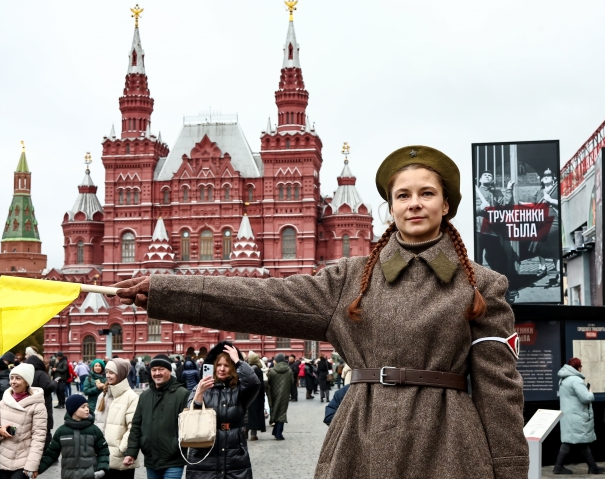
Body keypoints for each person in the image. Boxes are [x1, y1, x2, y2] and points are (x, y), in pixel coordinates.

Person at [114, 145, 530, 478]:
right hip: (363, 437)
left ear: (446, 205)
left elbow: (500, 392)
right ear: (391, 207)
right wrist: (163, 290)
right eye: (403, 195)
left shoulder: (482, 285)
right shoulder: (349, 279)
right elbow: (261, 300)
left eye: (427, 193)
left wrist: (510, 471)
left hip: (450, 442)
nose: (414, 204)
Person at [186, 342, 259, 478]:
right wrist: (200, 394)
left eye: (226, 365)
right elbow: (191, 416)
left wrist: (238, 361)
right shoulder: (200, 388)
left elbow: (254, 383)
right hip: (204, 452)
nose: (222, 369)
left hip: (234, 452)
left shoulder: (239, 390)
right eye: (218, 365)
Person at [123, 354, 189, 479]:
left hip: (173, 459)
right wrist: (131, 453)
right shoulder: (145, 396)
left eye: (161, 369)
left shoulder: (182, 394)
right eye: (154, 370)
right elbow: (136, 426)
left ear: (169, 371)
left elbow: (188, 426)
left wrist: (176, 444)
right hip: (151, 459)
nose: (157, 373)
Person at [0, 363, 48, 479]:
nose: (13, 382)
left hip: (23, 461)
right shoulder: (4, 402)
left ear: (27, 382)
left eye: (18, 378)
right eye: (11, 378)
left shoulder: (37, 406)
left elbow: (39, 438)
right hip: (3, 461)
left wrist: (32, 465)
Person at [553, 358, 605, 474]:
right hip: (577, 416)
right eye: (581, 366)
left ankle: (592, 466)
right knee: (571, 441)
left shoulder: (563, 380)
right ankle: (558, 467)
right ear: (578, 368)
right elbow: (586, 398)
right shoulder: (576, 380)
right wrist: (590, 392)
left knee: (580, 441)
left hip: (568, 415)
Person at [38, 395, 110, 479]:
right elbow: (51, 455)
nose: (87, 409)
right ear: (73, 410)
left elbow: (103, 451)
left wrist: (102, 469)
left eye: (87, 406)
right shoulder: (62, 432)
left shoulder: (94, 430)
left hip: (91, 476)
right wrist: (37, 470)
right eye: (83, 407)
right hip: (69, 476)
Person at [94, 358, 139, 479]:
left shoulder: (132, 397)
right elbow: (96, 422)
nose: (108, 376)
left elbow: (133, 427)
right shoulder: (103, 395)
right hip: (100, 457)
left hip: (121, 459)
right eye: (107, 372)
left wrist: (121, 449)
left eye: (111, 373)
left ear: (121, 374)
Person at [475, 170, 517, 282]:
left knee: (500, 258)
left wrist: (509, 189)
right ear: (480, 180)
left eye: (490, 176)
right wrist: (480, 208)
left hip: (491, 231)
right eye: (485, 175)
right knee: (476, 260)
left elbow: (505, 204)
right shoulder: (475, 191)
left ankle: (500, 287)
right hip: (478, 230)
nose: (488, 176)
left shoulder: (494, 194)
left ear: (492, 180)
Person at [528, 168, 560, 286]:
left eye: (548, 175)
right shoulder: (539, 192)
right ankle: (547, 268)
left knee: (551, 245)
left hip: (553, 219)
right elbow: (533, 205)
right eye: (544, 175)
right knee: (541, 244)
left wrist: (550, 200)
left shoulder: (557, 188)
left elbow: (562, 202)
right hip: (541, 220)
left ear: (553, 178)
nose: (546, 177)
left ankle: (546, 268)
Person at [26, 352, 58, 449]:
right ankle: (46, 451)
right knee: (44, 429)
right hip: (43, 404)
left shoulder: (27, 374)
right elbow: (47, 387)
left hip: (29, 404)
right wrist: (54, 382)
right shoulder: (41, 374)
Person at [266, 353, 293, 440]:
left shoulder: (272, 371)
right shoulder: (289, 370)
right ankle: (278, 432)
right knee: (282, 412)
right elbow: (292, 381)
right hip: (285, 394)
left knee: (275, 410)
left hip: (273, 394)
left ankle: (276, 432)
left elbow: (268, 382)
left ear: (277, 361)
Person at [246, 351, 266, 441]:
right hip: (256, 396)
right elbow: (260, 385)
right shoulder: (258, 370)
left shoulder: (246, 369)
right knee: (254, 414)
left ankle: (244, 431)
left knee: (246, 414)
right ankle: (253, 435)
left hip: (247, 396)